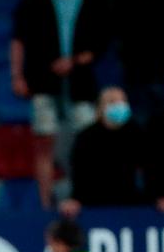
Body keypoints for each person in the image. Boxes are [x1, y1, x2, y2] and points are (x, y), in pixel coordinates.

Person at [11, 0, 111, 208]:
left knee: (88, 144)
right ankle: (46, 203)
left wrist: (77, 60)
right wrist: (18, 76)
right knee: (44, 142)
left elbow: (103, 40)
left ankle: (84, 197)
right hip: (44, 81)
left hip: (81, 82)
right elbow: (19, 38)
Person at [60, 87, 146, 215]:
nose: (120, 105)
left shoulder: (136, 134)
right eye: (113, 102)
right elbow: (79, 173)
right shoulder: (86, 138)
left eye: (123, 101)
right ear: (101, 107)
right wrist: (76, 199)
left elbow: (149, 167)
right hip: (94, 202)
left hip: (129, 202)